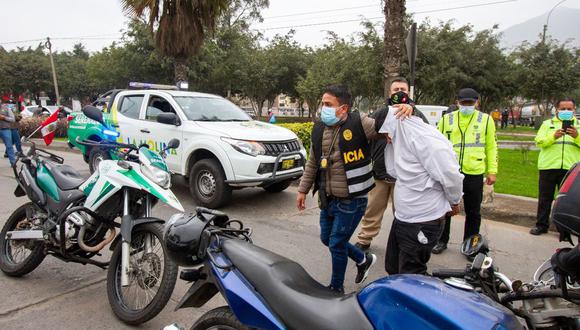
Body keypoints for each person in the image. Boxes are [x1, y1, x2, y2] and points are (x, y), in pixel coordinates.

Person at [296, 84, 412, 293]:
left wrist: (406, 109)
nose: (324, 108)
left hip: (352, 200)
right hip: (328, 198)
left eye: (328, 104)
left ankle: (336, 288)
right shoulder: (319, 128)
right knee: (326, 239)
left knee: (336, 244)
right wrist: (302, 190)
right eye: (323, 104)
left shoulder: (360, 123)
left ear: (343, 108)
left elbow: (388, 122)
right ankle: (362, 259)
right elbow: (313, 162)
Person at [379, 105, 464, 275]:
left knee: (411, 276)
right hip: (403, 219)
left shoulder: (425, 139)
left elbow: (450, 174)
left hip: (423, 221)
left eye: (382, 133)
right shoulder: (399, 134)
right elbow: (396, 170)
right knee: (393, 268)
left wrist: (454, 200)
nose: (383, 138)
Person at [355, 77, 428, 252]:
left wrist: (411, 111)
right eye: (396, 90)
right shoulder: (381, 113)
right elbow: (366, 133)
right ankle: (364, 239)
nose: (399, 92)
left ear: (408, 92)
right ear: (390, 92)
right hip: (380, 172)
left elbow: (426, 142)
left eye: (402, 88)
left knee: (403, 214)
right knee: (372, 210)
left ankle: (403, 244)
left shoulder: (417, 114)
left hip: (404, 177)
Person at [432, 88, 498, 255]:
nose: (467, 106)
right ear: (457, 103)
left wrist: (492, 171)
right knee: (445, 208)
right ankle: (441, 240)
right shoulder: (447, 119)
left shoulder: (486, 120)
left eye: (470, 103)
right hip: (451, 172)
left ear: (477, 103)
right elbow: (436, 144)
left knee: (473, 211)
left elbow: (491, 146)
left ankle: (470, 244)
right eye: (463, 103)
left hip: (474, 172)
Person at [530, 98, 580, 235]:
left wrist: (577, 136)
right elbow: (539, 142)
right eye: (563, 108)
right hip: (549, 166)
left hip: (571, 169)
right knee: (545, 198)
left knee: (567, 201)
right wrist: (553, 136)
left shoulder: (578, 125)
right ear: (556, 109)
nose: (566, 111)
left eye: (569, 109)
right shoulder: (548, 124)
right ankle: (541, 225)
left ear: (574, 110)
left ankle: (565, 229)